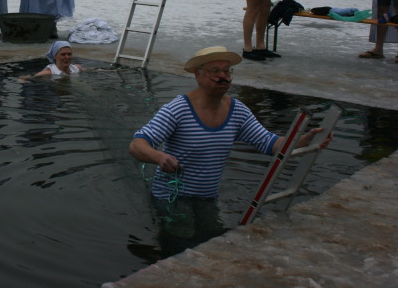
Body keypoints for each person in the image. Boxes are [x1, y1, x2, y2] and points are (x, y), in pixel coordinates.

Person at [129, 45, 332, 200]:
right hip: (171, 200)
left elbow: (270, 145)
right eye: (215, 71)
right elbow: (137, 145)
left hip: (208, 198)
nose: (223, 77)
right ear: (198, 75)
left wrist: (305, 141)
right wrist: (159, 157)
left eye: (227, 71)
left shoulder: (237, 111)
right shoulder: (179, 109)